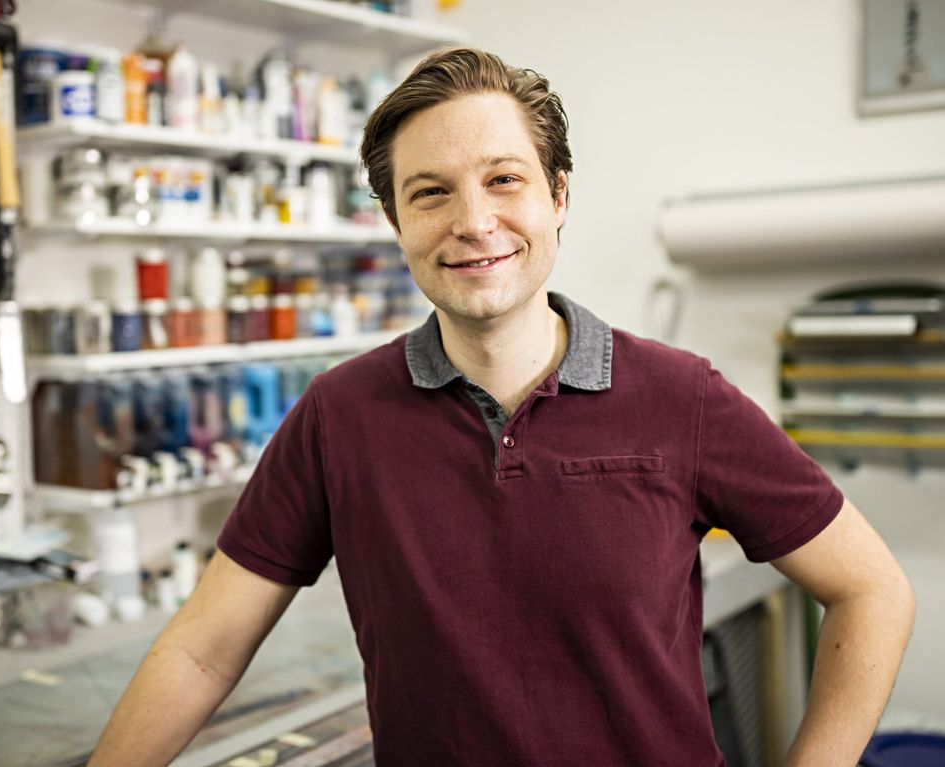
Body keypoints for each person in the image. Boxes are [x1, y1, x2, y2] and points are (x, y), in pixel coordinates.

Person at [88, 47, 915, 766]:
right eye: (431, 193)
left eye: (504, 179)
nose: (473, 221)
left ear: (557, 195)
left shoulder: (680, 396)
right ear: (395, 221)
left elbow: (873, 590)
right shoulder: (339, 416)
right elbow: (203, 650)